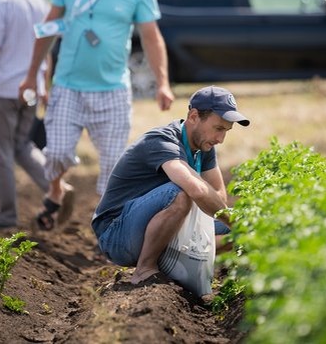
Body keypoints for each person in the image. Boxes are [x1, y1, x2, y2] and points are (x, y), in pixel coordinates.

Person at [20, 0, 175, 231]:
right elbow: (47, 28)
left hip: (113, 91)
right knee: (58, 152)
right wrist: (32, 75)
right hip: (67, 87)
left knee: (113, 164)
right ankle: (56, 190)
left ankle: (107, 226)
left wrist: (162, 82)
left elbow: (151, 37)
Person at [91, 86, 250, 284]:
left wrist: (238, 226)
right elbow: (197, 189)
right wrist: (238, 224)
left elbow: (219, 195)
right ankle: (145, 269)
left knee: (234, 230)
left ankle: (177, 262)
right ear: (193, 116)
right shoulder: (161, 140)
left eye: (226, 131)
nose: (221, 139)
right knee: (180, 193)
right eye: (218, 128)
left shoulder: (204, 146)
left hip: (154, 226)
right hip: (116, 234)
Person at [0, 0, 52, 231]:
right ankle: (57, 187)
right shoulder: (41, 4)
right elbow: (46, 51)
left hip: (1, 90)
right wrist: (44, 87)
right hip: (30, 89)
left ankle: (6, 217)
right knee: (21, 145)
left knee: (1, 155)